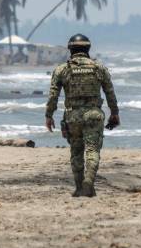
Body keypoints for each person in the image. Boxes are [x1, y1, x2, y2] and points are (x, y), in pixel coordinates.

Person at [44, 34, 120, 197]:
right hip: (94, 115)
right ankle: (89, 182)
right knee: (92, 150)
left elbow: (53, 96)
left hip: (73, 117)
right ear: (88, 49)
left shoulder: (62, 69)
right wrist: (115, 113)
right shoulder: (98, 68)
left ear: (70, 49)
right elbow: (110, 92)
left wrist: (49, 115)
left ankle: (79, 187)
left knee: (76, 152)